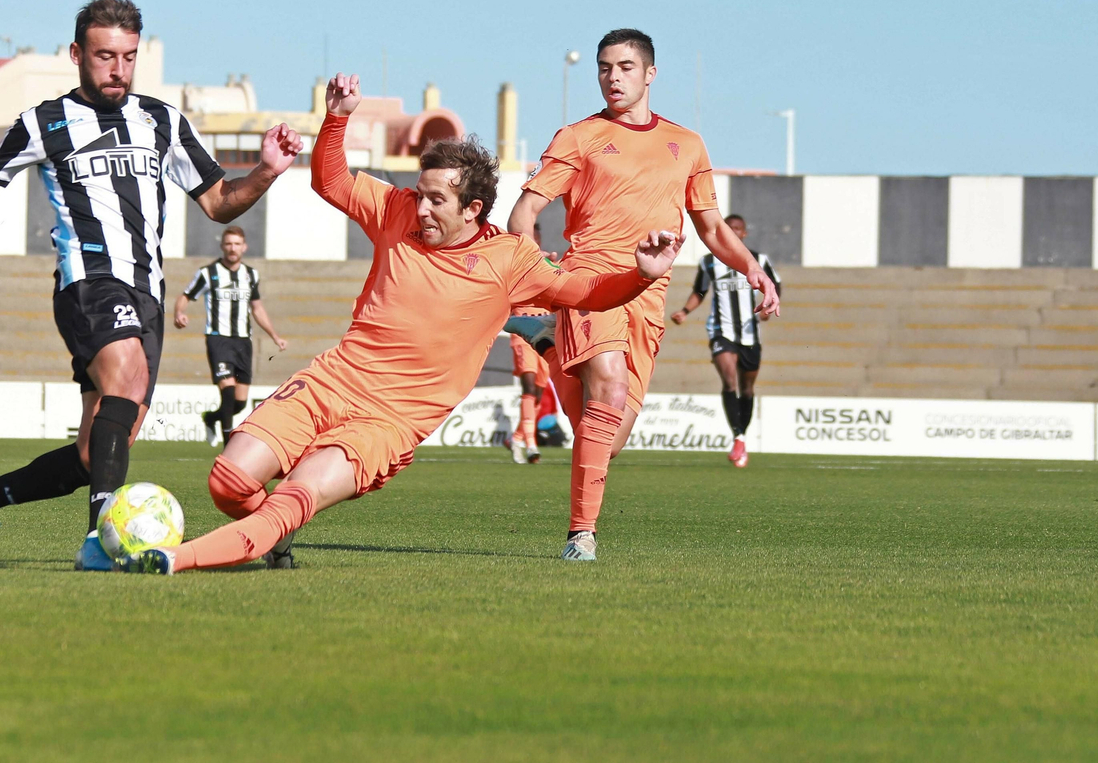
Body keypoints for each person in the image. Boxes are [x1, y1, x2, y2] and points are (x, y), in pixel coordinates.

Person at [117, 72, 683, 575]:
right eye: (420, 194)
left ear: (473, 210)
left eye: (438, 200)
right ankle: (272, 540)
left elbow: (586, 290)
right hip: (331, 382)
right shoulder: (397, 212)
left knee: (294, 493)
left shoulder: (510, 260)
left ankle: (172, 558)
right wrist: (336, 119)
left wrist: (641, 275)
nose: (424, 208)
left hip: (388, 423)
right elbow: (332, 182)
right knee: (229, 484)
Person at [0, 0, 302, 570]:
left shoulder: (163, 121)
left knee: (97, 454)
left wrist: (266, 170)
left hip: (148, 295)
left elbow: (220, 203)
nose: (117, 68)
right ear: (76, 54)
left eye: (128, 56)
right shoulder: (44, 123)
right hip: (87, 283)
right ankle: (100, 542)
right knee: (128, 373)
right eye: (104, 56)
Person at [506, 28, 780, 561]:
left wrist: (753, 270)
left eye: (626, 67)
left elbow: (712, 227)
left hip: (647, 297)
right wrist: (537, 276)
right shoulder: (578, 137)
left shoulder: (688, 144)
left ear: (650, 73)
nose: (613, 76)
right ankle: (581, 535)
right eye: (605, 67)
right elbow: (524, 215)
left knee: (608, 439)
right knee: (606, 391)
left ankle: (549, 347)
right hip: (589, 281)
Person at [671, 214, 781, 468]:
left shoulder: (759, 260)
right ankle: (738, 437)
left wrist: (767, 307)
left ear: (744, 234)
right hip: (721, 331)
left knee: (748, 387)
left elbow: (774, 285)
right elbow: (700, 291)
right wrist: (685, 311)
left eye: (738, 229)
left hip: (750, 333)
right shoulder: (709, 262)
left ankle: (741, 434)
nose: (734, 232)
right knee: (729, 379)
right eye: (729, 229)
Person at [173, 225, 288, 447]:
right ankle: (229, 450)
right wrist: (180, 312)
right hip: (219, 339)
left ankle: (211, 418)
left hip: (243, 341)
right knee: (228, 393)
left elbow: (257, 308)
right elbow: (186, 296)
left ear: (244, 247)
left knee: (239, 403)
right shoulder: (208, 273)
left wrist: (274, 335)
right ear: (222, 246)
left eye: (237, 244)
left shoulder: (251, 275)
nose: (232, 248)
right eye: (228, 244)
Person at [508, 318, 550, 464]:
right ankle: (531, 445)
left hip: (545, 335)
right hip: (522, 336)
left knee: (537, 396)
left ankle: (516, 439)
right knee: (529, 390)